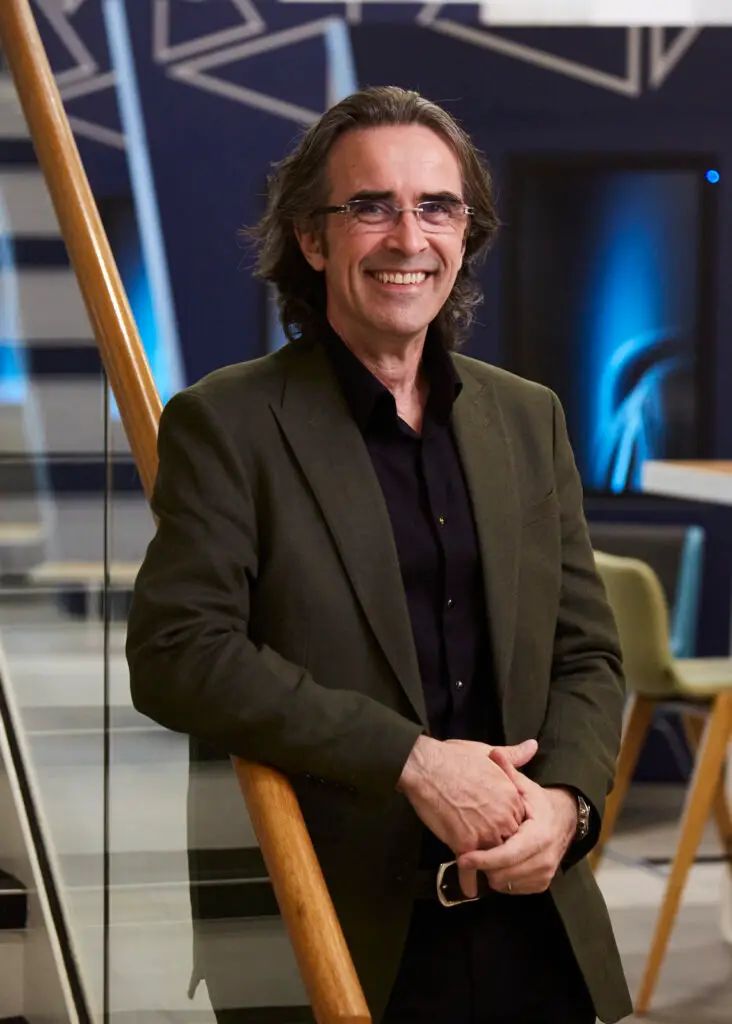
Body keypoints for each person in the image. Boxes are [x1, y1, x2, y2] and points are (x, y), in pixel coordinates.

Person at [126, 85, 632, 1024]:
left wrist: (568, 809)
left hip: (533, 921)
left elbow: (587, 654)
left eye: (437, 206)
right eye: (372, 206)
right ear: (312, 241)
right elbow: (177, 654)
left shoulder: (529, 416)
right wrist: (413, 761)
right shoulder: (227, 423)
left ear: (465, 234)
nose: (409, 237)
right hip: (336, 935)